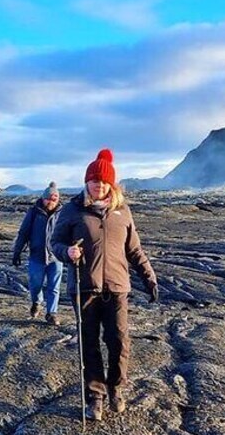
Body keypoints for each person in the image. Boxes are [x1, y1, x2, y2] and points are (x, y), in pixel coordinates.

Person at [51, 149, 158, 421]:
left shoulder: (122, 211)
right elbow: (56, 243)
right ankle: (95, 396)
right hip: (84, 287)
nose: (98, 185)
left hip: (117, 287)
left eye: (103, 181)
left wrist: (149, 277)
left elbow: (134, 250)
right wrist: (68, 253)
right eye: (94, 181)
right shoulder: (72, 210)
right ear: (86, 182)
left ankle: (116, 388)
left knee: (119, 342)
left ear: (112, 184)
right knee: (89, 344)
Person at [13, 182, 64, 325]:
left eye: (54, 199)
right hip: (37, 256)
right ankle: (37, 301)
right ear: (43, 198)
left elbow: (69, 233)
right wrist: (17, 252)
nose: (51, 202)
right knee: (35, 284)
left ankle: (51, 313)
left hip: (56, 257)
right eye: (48, 198)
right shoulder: (34, 212)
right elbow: (24, 233)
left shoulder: (63, 214)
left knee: (54, 287)